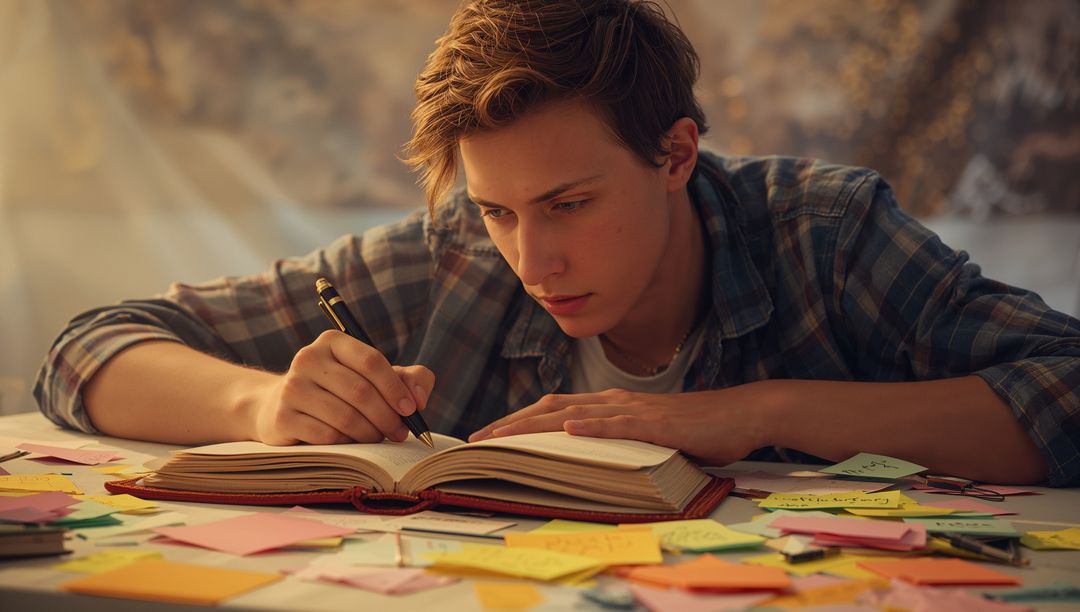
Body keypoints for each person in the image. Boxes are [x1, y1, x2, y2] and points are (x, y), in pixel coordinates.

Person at [35, 0, 1080, 486]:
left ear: (677, 154)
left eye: (570, 205)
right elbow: (89, 348)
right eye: (499, 209)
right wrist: (260, 402)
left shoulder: (827, 234)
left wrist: (756, 414)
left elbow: (1067, 388)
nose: (531, 261)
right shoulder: (457, 256)